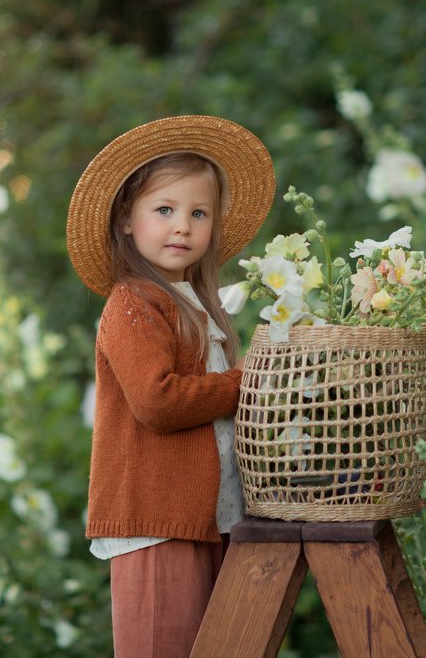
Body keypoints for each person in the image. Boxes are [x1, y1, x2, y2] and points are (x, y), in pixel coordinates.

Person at [66, 115, 275, 657]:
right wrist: (246, 382)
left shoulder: (201, 308)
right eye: (165, 210)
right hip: (159, 520)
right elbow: (157, 401)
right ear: (127, 222)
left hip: (212, 515)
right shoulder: (133, 302)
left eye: (198, 213)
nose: (182, 226)